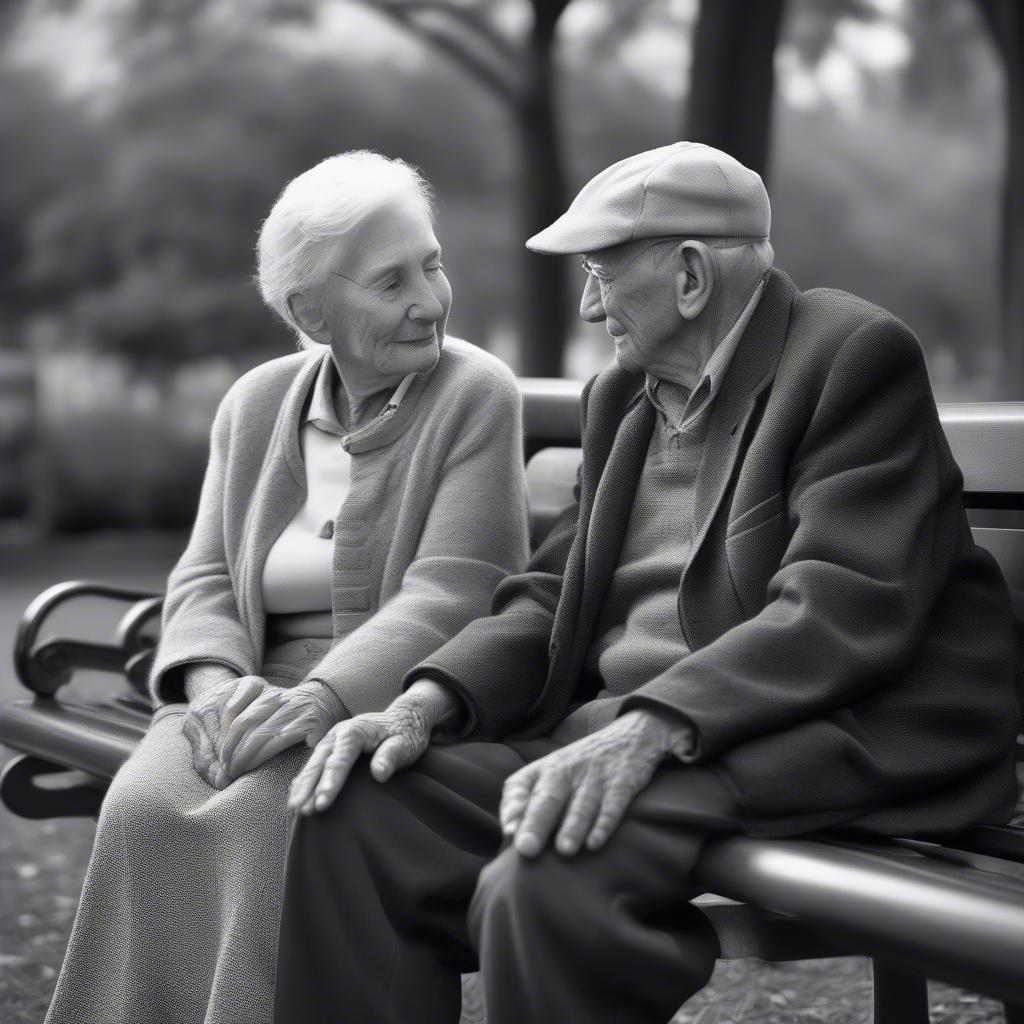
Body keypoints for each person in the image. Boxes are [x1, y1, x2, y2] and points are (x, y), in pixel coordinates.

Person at [273, 142, 1021, 1024]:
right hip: (636, 736)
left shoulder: (848, 354)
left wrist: (653, 727)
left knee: (547, 879)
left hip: (808, 732)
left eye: (601, 274)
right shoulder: (623, 397)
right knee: (361, 810)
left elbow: (840, 603)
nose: (589, 305)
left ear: (692, 277)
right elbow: (553, 594)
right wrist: (422, 704)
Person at [45, 150, 530, 1024]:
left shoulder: (475, 395)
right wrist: (215, 689)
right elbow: (201, 576)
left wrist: (318, 700)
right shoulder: (257, 402)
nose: (429, 299)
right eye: (392, 282)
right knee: (144, 804)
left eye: (432, 262)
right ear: (312, 310)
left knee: (271, 821)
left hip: (395, 703)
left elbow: (457, 591)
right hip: (247, 688)